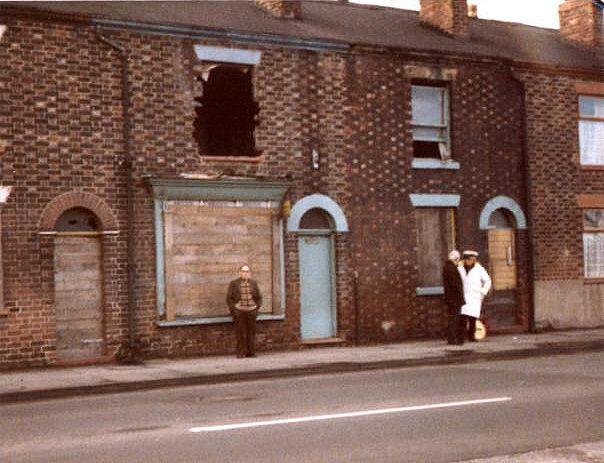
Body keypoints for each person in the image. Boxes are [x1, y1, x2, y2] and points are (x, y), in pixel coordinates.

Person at [226, 265, 263, 358]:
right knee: (240, 332)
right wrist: (234, 309)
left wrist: (256, 308)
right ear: (240, 272)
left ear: (249, 273)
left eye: (247, 272)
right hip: (239, 311)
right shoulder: (234, 283)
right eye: (243, 271)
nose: (245, 273)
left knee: (251, 332)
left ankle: (251, 352)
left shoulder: (254, 283)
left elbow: (259, 297)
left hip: (251, 311)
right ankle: (241, 352)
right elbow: (229, 298)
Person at [458, 250, 492, 342]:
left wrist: (483, 292)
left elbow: (487, 281)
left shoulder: (479, 269)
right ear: (465, 259)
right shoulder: (459, 268)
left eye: (473, 259)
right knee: (463, 317)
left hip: (474, 296)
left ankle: (471, 336)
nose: (471, 261)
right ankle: (461, 336)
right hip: (463, 295)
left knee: (473, 318)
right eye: (469, 259)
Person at [443, 250, 466, 345]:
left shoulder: (447, 268)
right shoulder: (452, 269)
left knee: (452, 318)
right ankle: (453, 339)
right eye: (458, 260)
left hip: (450, 298)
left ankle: (451, 338)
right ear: (456, 259)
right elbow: (456, 285)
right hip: (455, 299)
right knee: (454, 319)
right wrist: (461, 297)